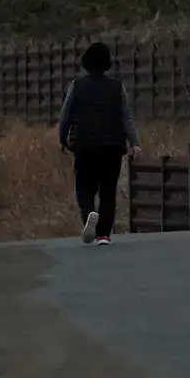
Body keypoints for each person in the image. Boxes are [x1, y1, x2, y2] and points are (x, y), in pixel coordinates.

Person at [56, 42, 142, 245]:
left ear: (86, 63)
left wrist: (62, 139)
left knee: (84, 187)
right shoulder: (117, 87)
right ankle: (103, 234)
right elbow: (126, 116)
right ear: (107, 64)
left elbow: (65, 115)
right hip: (112, 146)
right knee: (108, 190)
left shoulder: (76, 86)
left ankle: (89, 215)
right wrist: (134, 142)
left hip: (84, 145)